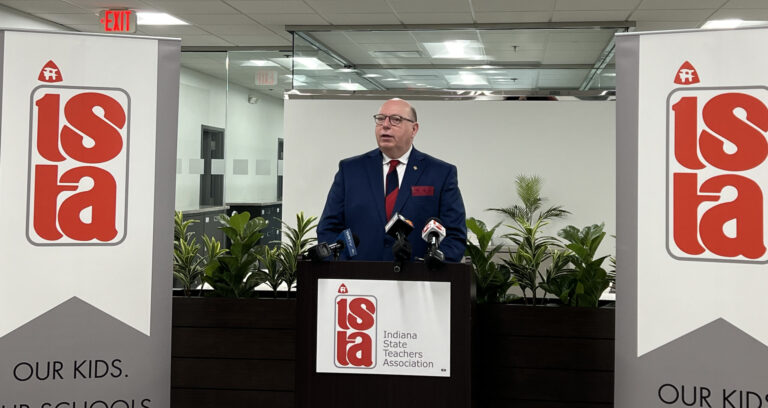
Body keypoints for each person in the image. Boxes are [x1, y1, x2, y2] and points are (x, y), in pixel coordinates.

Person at [317, 98, 467, 262]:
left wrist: (433, 266)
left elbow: (455, 235)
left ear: (414, 129)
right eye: (380, 119)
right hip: (359, 280)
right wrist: (343, 269)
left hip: (418, 281)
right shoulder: (350, 170)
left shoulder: (441, 173)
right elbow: (328, 228)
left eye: (396, 120)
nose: (385, 125)